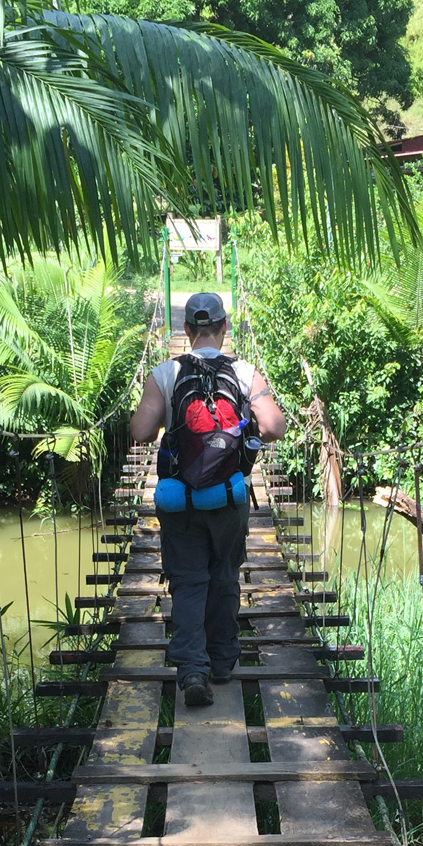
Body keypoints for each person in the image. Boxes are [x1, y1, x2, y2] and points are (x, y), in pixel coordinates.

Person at [129, 291, 286, 707]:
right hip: (228, 497)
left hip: (179, 499)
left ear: (185, 331)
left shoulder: (165, 372)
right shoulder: (245, 372)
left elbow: (142, 432)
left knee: (188, 581)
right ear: (225, 327)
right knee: (223, 577)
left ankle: (192, 671)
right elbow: (274, 426)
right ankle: (221, 662)